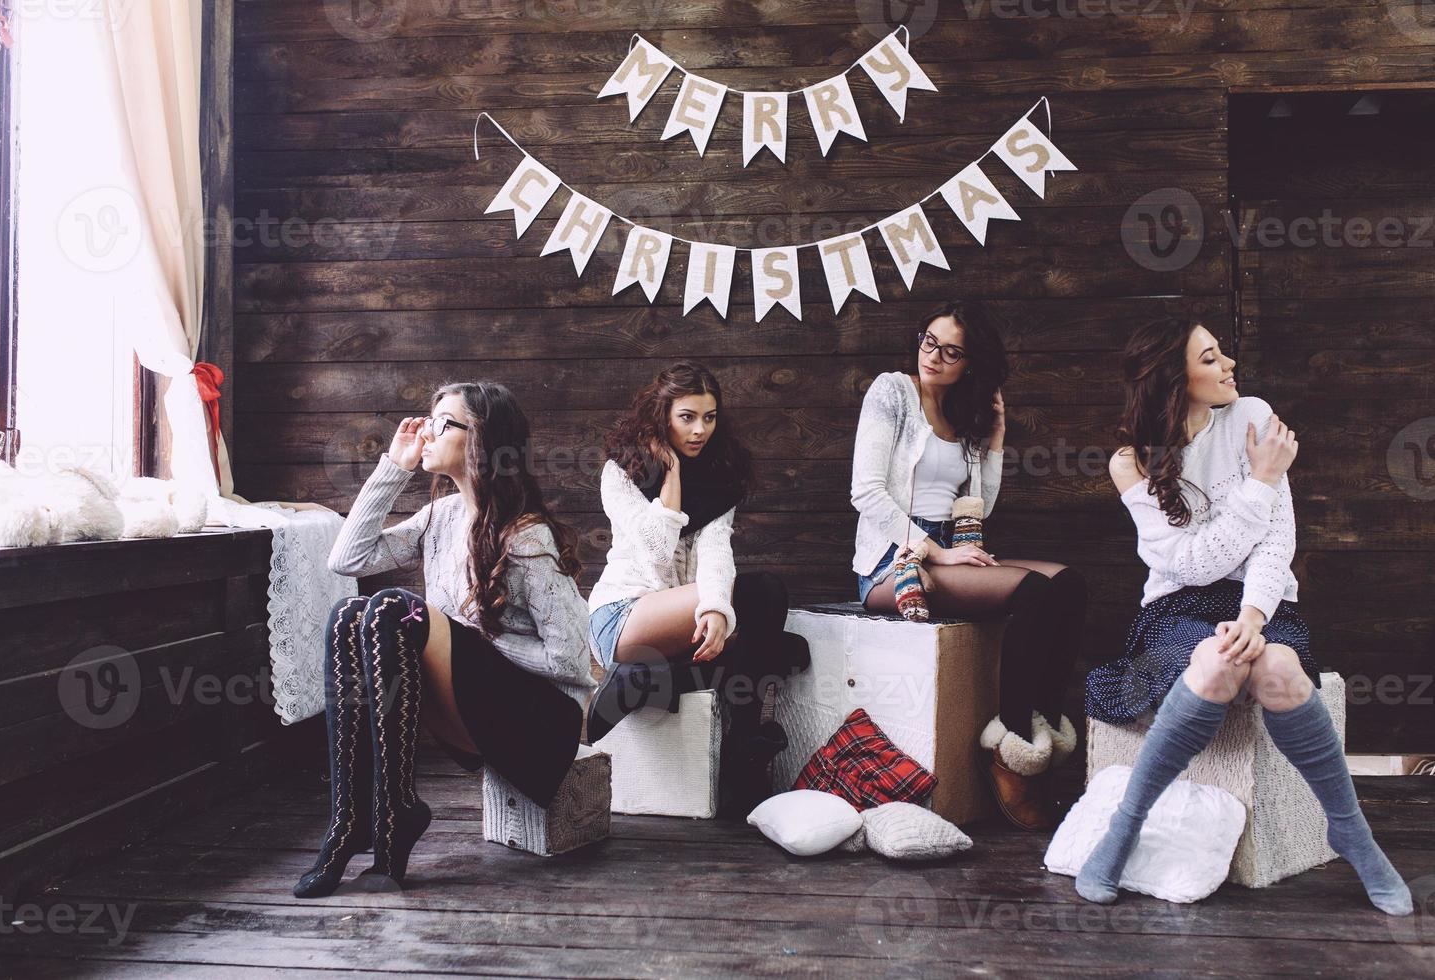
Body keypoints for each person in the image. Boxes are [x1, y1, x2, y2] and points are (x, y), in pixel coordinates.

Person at [1075, 318, 1411, 915]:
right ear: (1175, 380)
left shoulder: (1253, 413)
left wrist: (1254, 616)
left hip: (1264, 600)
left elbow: (1278, 540)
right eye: (1211, 357)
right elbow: (1189, 563)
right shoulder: (1132, 463)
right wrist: (1260, 479)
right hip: (1177, 607)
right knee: (1214, 664)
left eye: (1222, 352)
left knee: (1277, 670)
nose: (1229, 363)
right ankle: (1125, 827)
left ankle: (1350, 830)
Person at [294, 381, 596, 896]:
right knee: (349, 613)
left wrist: (471, 634)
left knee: (397, 608)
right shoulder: (441, 516)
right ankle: (353, 823)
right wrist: (394, 468)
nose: (426, 432)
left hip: (543, 729)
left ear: (481, 441)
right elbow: (345, 561)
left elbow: (572, 659)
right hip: (476, 710)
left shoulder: (526, 536)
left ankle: (393, 817)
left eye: (443, 423)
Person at [850, 301, 1086, 830]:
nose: (933, 356)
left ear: (971, 364)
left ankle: (1038, 729)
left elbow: (979, 510)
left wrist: (995, 444)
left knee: (1068, 585)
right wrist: (935, 551)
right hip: (895, 561)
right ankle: (1013, 749)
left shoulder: (967, 414)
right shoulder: (892, 392)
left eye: (951, 351)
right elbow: (865, 492)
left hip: (951, 551)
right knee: (1030, 593)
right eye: (928, 341)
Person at [586, 360, 808, 818]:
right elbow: (655, 552)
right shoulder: (621, 472)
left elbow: (715, 555)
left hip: (683, 623)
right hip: (622, 616)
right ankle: (739, 755)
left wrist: (714, 609)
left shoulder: (720, 479)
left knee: (766, 600)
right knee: (761, 620)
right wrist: (670, 475)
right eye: (687, 417)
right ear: (662, 414)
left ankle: (740, 748)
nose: (699, 430)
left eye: (709, 417)